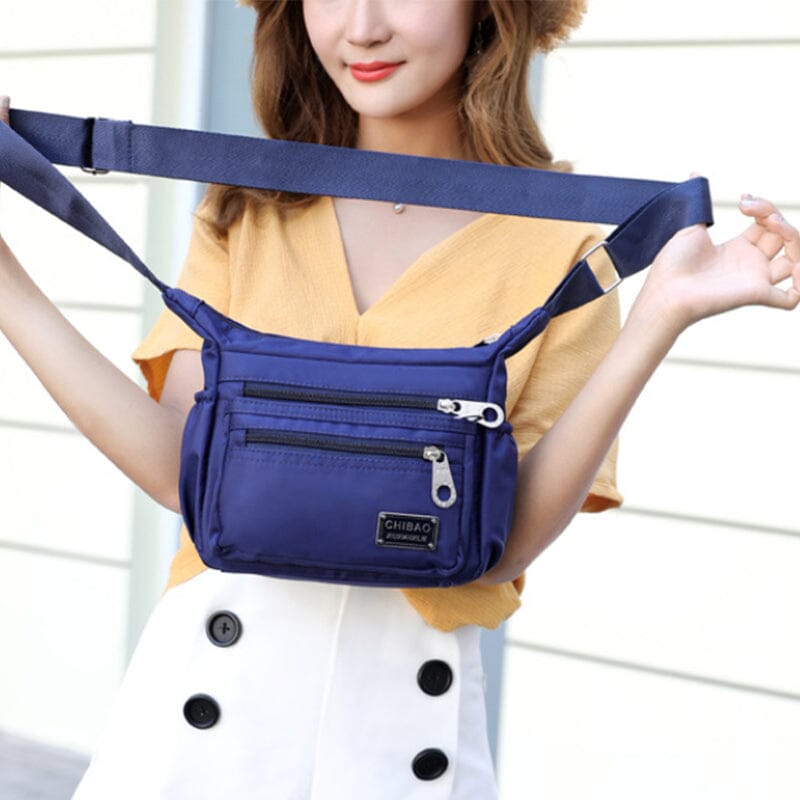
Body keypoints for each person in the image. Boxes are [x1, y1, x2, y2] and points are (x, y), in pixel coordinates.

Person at [1, 1, 798, 797]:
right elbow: (184, 472)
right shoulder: (248, 205)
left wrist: (663, 313)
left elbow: (505, 543)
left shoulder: (567, 250)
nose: (362, 28)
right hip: (198, 724)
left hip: (406, 738)